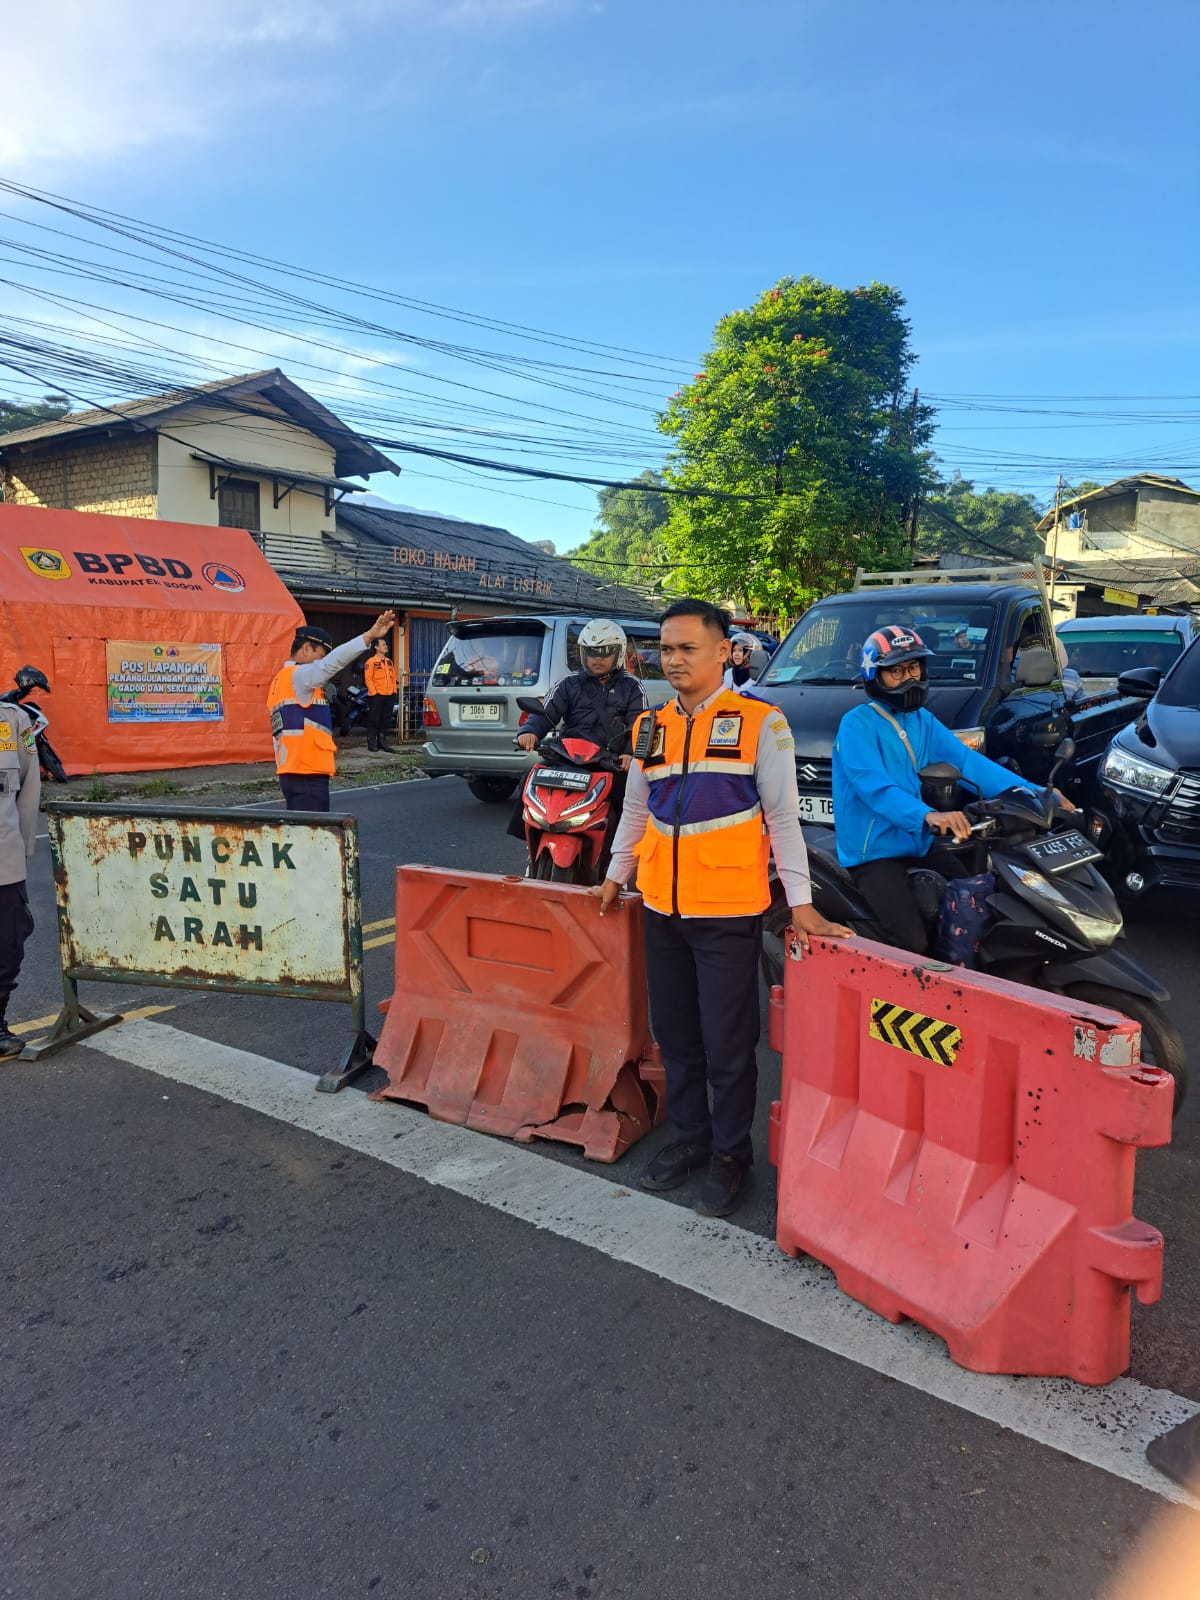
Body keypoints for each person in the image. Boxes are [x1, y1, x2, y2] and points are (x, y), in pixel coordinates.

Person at [591, 599, 849, 1219]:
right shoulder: (648, 726)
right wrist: (614, 874)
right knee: (676, 1036)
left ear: (723, 652)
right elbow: (634, 811)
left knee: (729, 1043)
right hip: (661, 907)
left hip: (728, 910)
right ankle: (690, 1139)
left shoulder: (763, 723)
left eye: (687, 648)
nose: (673, 659)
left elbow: (785, 820)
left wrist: (803, 904)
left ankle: (733, 1156)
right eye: (665, 648)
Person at [832, 624, 1074, 955]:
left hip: (917, 842)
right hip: (873, 852)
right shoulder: (857, 724)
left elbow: (968, 763)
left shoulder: (921, 720)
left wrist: (1036, 793)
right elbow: (875, 788)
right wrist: (929, 815)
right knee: (912, 942)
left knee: (974, 901)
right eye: (897, 671)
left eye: (914, 667)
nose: (909, 678)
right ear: (875, 676)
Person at [508, 619, 648, 851]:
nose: (597, 658)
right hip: (568, 757)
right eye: (591, 652)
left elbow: (639, 723)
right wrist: (530, 731)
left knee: (628, 799)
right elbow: (547, 713)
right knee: (530, 779)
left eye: (605, 652)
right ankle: (532, 840)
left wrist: (629, 753)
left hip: (609, 762)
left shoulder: (632, 687)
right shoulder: (568, 684)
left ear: (619, 652)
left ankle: (618, 856)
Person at [268, 612, 396, 812]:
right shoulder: (298, 675)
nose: (322, 661)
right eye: (320, 655)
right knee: (313, 837)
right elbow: (332, 664)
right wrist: (369, 636)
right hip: (306, 774)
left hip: (295, 772)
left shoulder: (282, 681)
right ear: (306, 648)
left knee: (305, 836)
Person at [0, 700, 40, 1058]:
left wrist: (21, 850)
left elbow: (28, 790)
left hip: (3, 861)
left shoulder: (13, 719)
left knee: (8, 945)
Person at [363, 636, 398, 753]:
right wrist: (374, 693)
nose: (386, 646)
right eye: (383, 644)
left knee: (386, 720)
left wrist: (394, 691)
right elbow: (368, 678)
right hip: (377, 696)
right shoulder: (371, 662)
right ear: (376, 647)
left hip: (389, 695)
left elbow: (393, 677)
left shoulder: (389, 662)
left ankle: (382, 742)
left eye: (385, 644)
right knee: (374, 719)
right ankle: (371, 743)